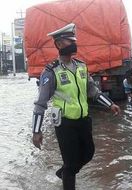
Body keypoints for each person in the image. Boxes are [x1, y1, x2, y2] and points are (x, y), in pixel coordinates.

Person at [31, 23, 121, 190]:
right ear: (58, 44)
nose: (74, 43)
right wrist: (36, 131)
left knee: (89, 153)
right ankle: (68, 175)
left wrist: (110, 105)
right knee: (71, 163)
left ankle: (65, 172)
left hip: (83, 119)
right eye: (69, 41)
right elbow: (41, 103)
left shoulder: (81, 66)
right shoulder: (51, 72)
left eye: (74, 40)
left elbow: (92, 90)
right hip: (65, 123)